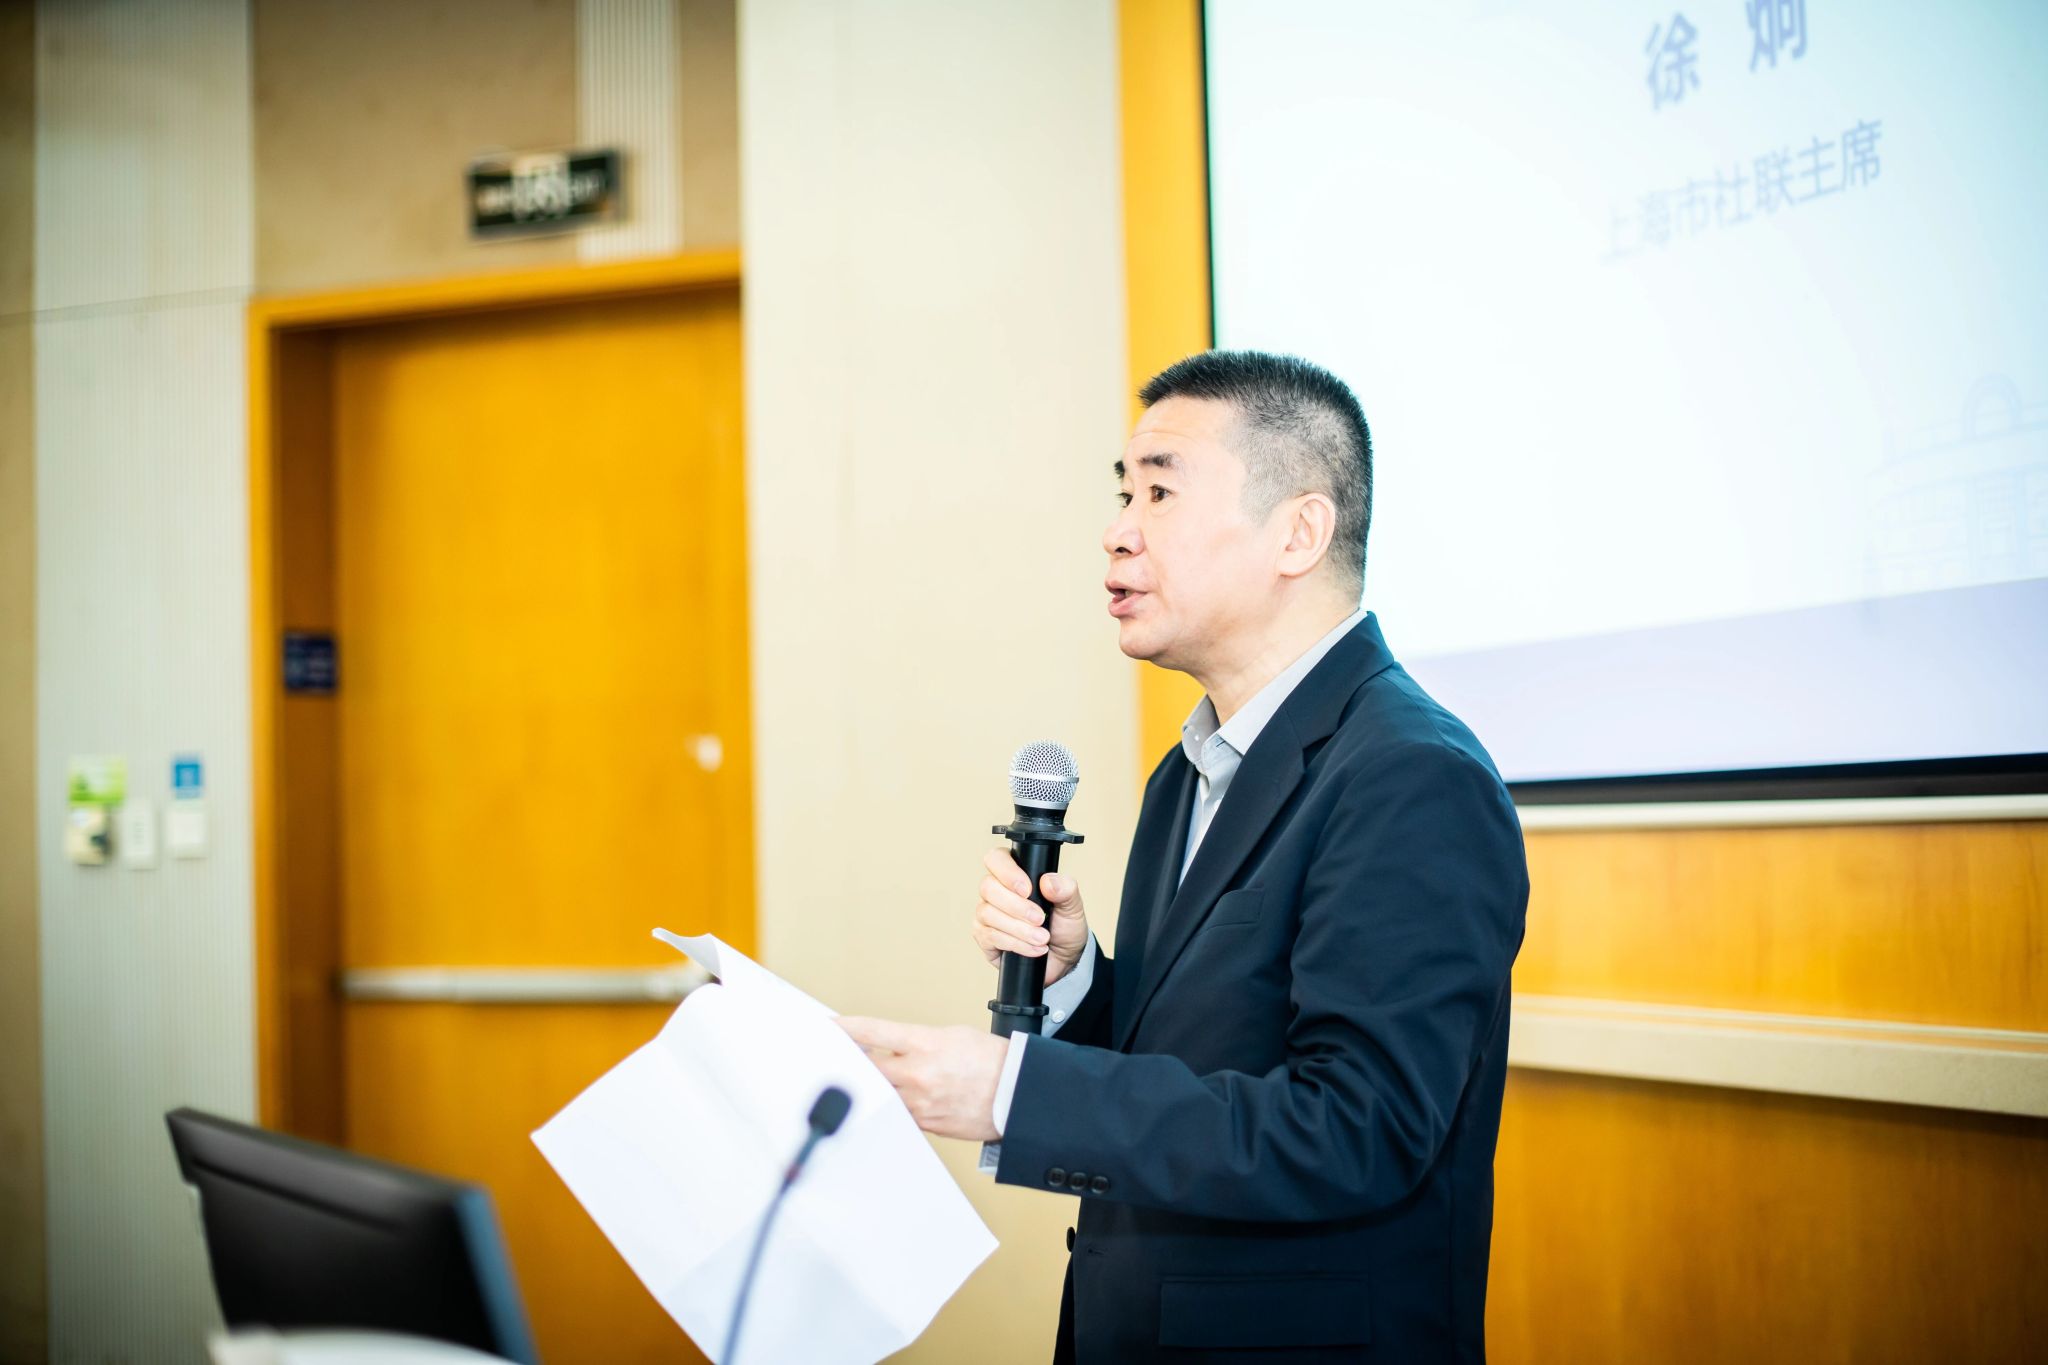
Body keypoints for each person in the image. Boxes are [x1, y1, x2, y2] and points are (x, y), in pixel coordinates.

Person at [839, 350, 1528, 1363]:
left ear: (1297, 533)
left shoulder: (1411, 775)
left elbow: (1355, 1130)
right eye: (1122, 493)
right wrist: (1077, 981)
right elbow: (1198, 1067)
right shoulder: (1189, 772)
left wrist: (1013, 1092)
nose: (1118, 529)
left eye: (1159, 492)